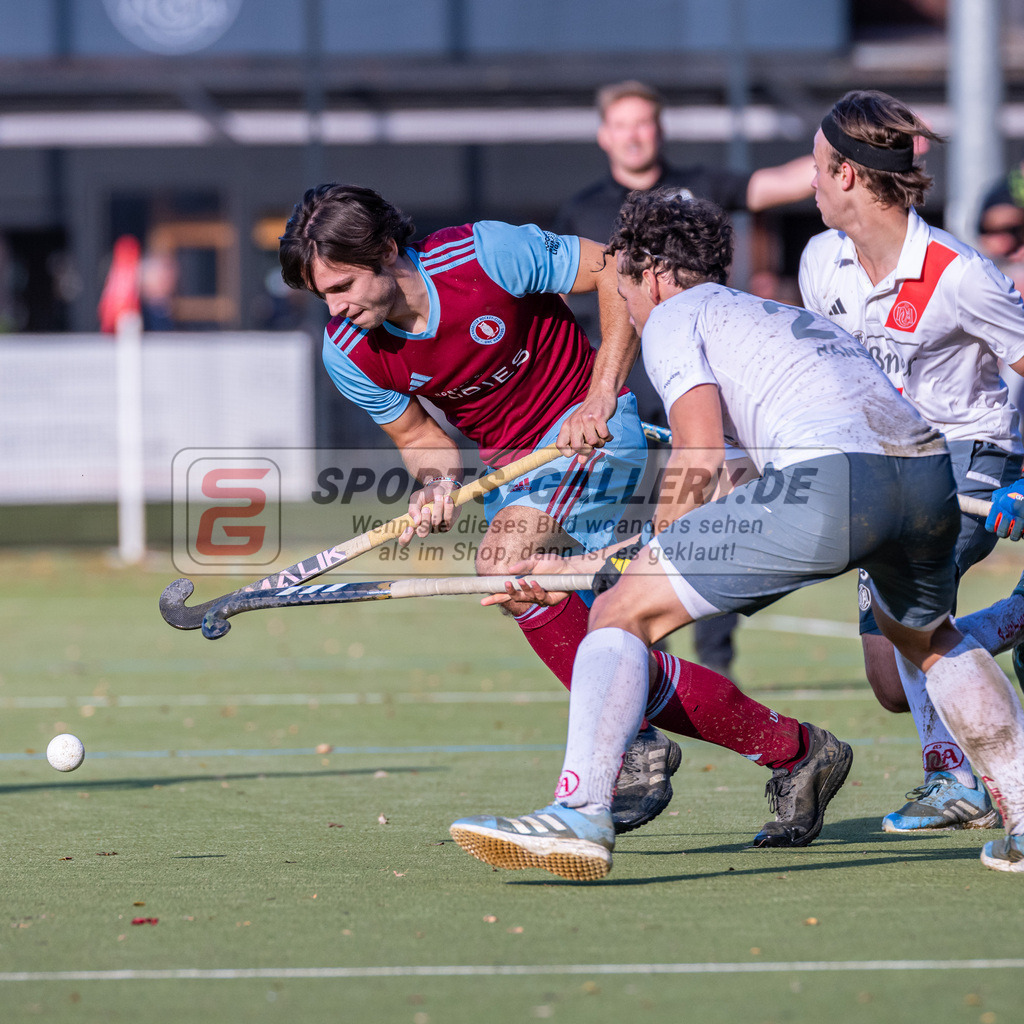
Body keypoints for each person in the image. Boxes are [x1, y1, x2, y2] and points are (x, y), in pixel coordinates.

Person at [449, 191, 1024, 880]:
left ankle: (581, 813)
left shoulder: (675, 316)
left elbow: (697, 453)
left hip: (836, 482)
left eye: (625, 285)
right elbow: (743, 475)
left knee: (620, 612)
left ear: (653, 274)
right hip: (928, 476)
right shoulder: (777, 316)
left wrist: (630, 566)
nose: (625, 309)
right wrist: (630, 553)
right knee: (929, 641)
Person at [278, 184, 838, 839]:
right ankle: (797, 752)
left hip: (592, 431)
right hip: (516, 473)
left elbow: (609, 269)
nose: (336, 308)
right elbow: (420, 440)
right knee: (608, 633)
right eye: (324, 296)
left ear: (385, 252)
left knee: (504, 564)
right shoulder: (347, 350)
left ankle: (628, 750)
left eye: (343, 286)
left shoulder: (483, 255)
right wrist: (433, 485)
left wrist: (601, 395)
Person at [799, 90, 1024, 834]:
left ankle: (958, 780)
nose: (810, 180)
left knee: (910, 623)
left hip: (971, 455)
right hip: (888, 463)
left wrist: (1013, 470)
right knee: (890, 679)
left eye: (817, 165)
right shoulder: (819, 262)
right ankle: (1017, 619)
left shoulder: (959, 272)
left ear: (851, 176)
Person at [557, 80, 814, 680]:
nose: (635, 134)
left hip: (700, 397)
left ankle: (716, 664)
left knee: (709, 523)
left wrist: (858, 161)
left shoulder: (698, 192)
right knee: (630, 531)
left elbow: (779, 182)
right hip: (625, 400)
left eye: (644, 122)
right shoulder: (581, 208)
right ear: (604, 136)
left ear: (659, 129)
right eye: (622, 124)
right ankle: (650, 667)